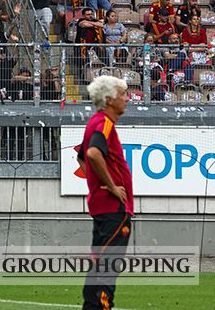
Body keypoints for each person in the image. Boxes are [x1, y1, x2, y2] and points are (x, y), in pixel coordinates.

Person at [78, 75, 134, 310]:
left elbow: (82, 157)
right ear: (110, 100)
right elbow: (92, 154)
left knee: (99, 267)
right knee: (106, 271)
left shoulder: (94, 122)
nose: (127, 99)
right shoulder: (105, 124)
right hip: (114, 209)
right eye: (123, 94)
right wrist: (110, 186)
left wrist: (95, 184)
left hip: (103, 207)